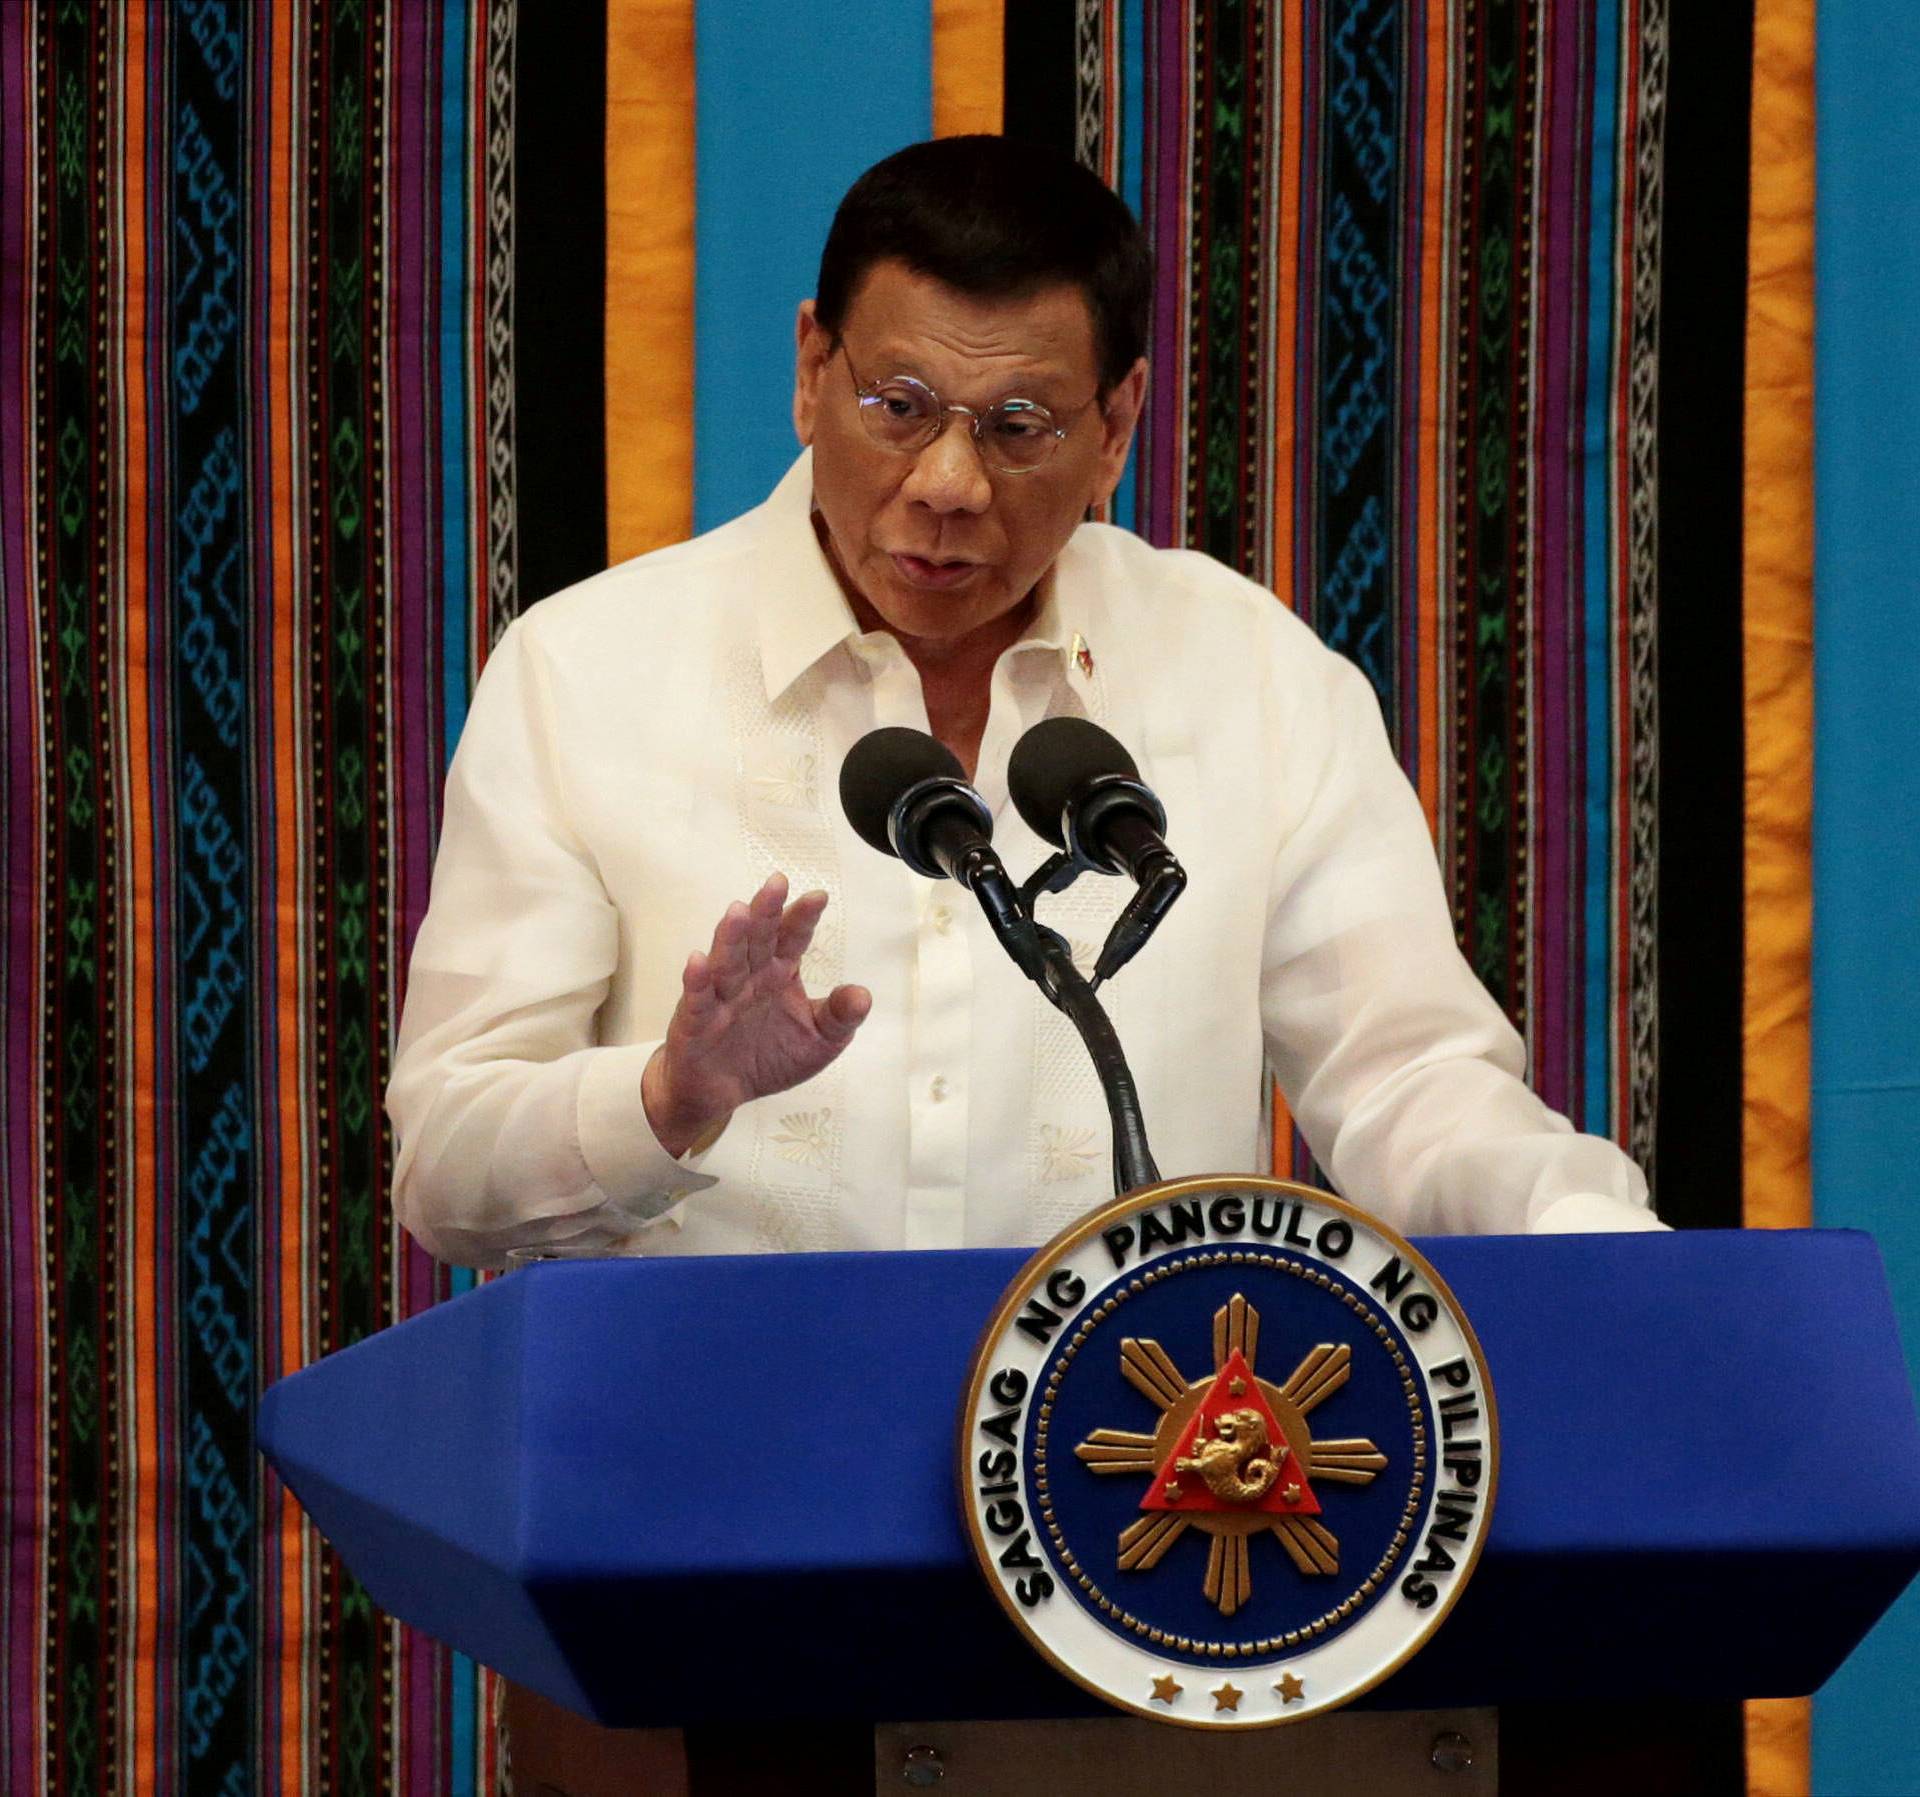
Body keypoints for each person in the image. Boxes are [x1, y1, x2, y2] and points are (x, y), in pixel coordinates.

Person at [387, 136, 1660, 1273]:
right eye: (899, 409)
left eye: (1018, 425)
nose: (948, 483)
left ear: (1117, 427)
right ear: (809, 366)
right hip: (695, 1479)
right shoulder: (585, 673)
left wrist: (1600, 1244)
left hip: (1121, 1489)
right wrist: (670, 1096)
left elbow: (1411, 1082)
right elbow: (446, 1168)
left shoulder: (1255, 678)